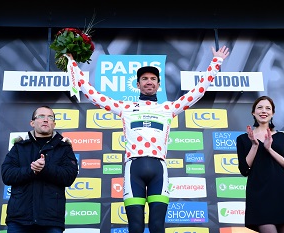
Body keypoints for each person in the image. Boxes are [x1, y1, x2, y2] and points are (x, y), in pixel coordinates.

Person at [65, 45, 230, 233]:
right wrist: (73, 64)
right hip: (133, 169)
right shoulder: (125, 107)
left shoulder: (168, 108)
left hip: (159, 170)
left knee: (158, 227)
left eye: (153, 79)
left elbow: (198, 92)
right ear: (137, 84)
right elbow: (93, 95)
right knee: (135, 227)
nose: (149, 82)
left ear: (159, 84)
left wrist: (216, 61)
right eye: (144, 79)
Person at [1, 105, 78, 233]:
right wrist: (31, 170)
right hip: (19, 220)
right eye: (41, 116)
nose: (46, 120)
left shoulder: (64, 148)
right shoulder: (19, 147)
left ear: (54, 123)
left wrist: (45, 168)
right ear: (32, 123)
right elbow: (7, 175)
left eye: (50, 117)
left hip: (51, 221)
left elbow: (69, 176)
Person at [236, 96, 284, 233]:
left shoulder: (283, 137)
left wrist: (269, 149)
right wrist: (255, 145)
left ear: (272, 113)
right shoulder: (243, 139)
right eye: (259, 107)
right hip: (259, 194)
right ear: (253, 112)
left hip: (283, 193)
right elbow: (244, 169)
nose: (263, 111)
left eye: (268, 108)